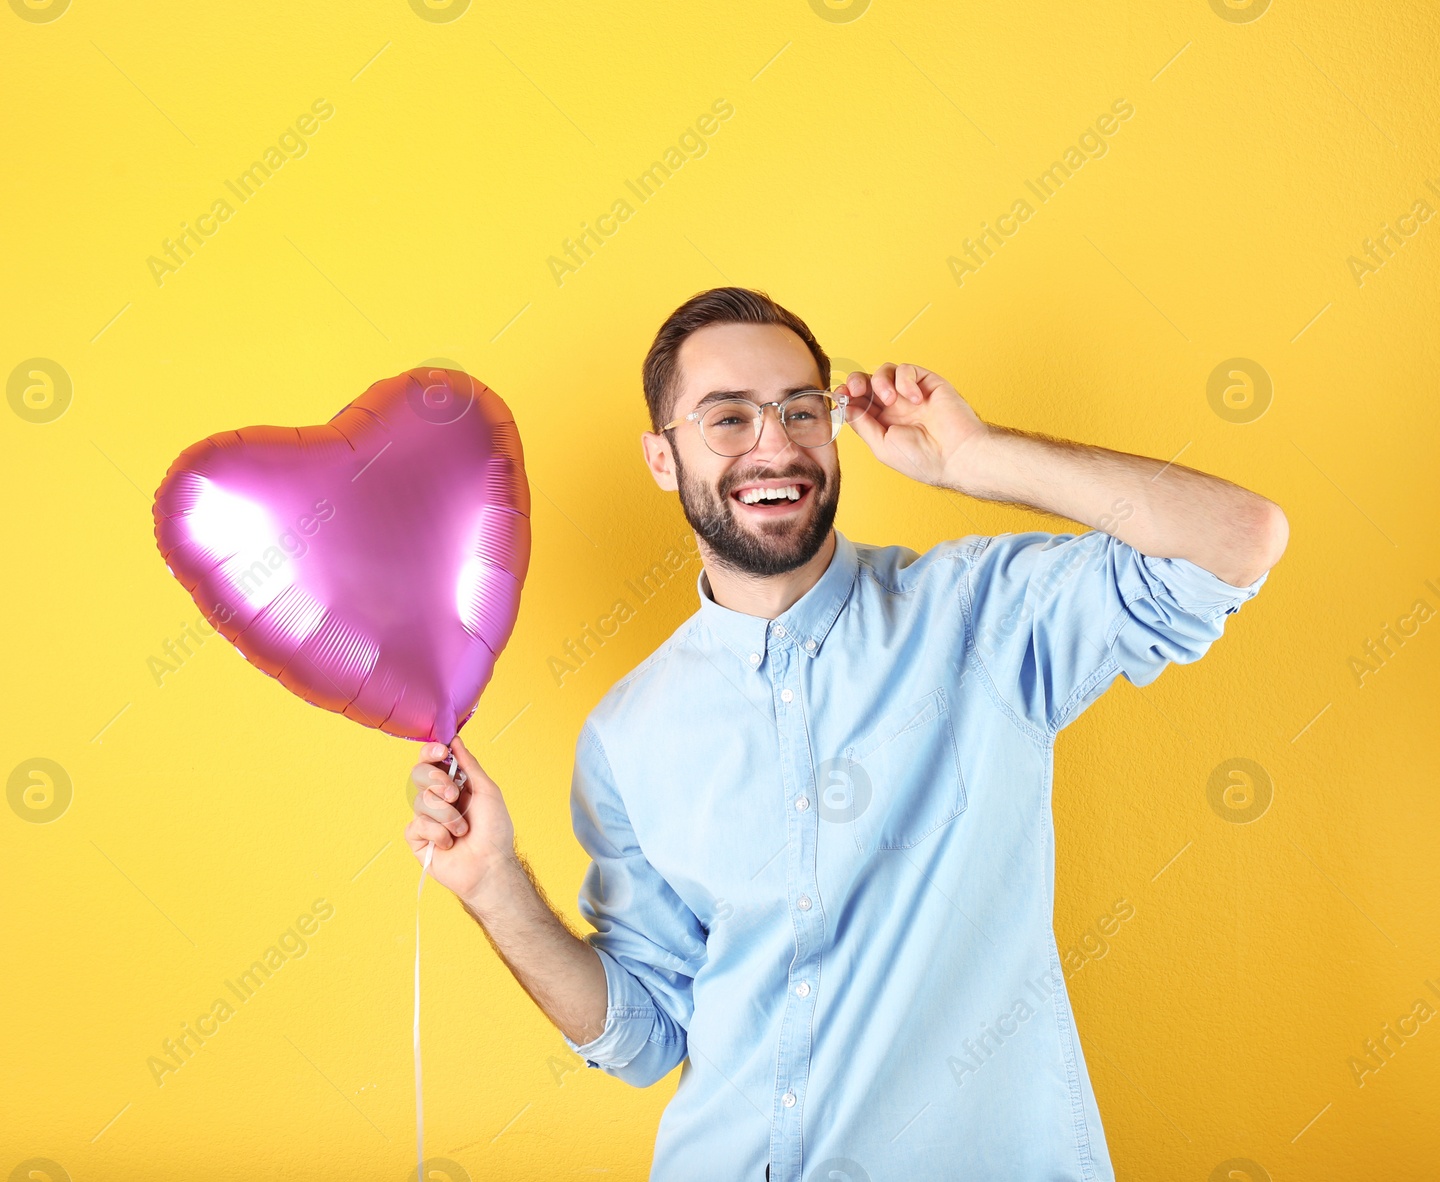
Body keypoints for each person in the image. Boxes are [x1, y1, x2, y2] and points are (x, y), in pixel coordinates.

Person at [404, 286, 1288, 1181]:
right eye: (728, 419)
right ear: (662, 458)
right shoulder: (628, 731)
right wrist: (492, 887)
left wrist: (981, 457)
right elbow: (646, 1039)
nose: (775, 444)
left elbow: (1239, 540)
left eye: (800, 409)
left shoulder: (981, 615)